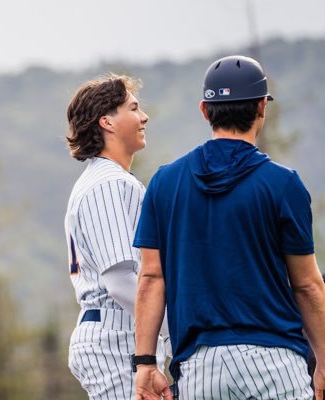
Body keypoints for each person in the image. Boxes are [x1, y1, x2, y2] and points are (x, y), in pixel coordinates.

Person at [132, 55, 325, 400]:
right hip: (276, 364)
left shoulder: (164, 183)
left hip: (201, 368)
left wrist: (145, 362)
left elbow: (151, 278)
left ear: (205, 111)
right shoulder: (283, 185)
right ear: (262, 107)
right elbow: (308, 286)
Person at [64, 74, 167, 399]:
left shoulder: (106, 179)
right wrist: (173, 328)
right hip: (116, 334)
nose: (143, 116)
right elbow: (120, 278)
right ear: (106, 121)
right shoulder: (108, 183)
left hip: (117, 331)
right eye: (133, 108)